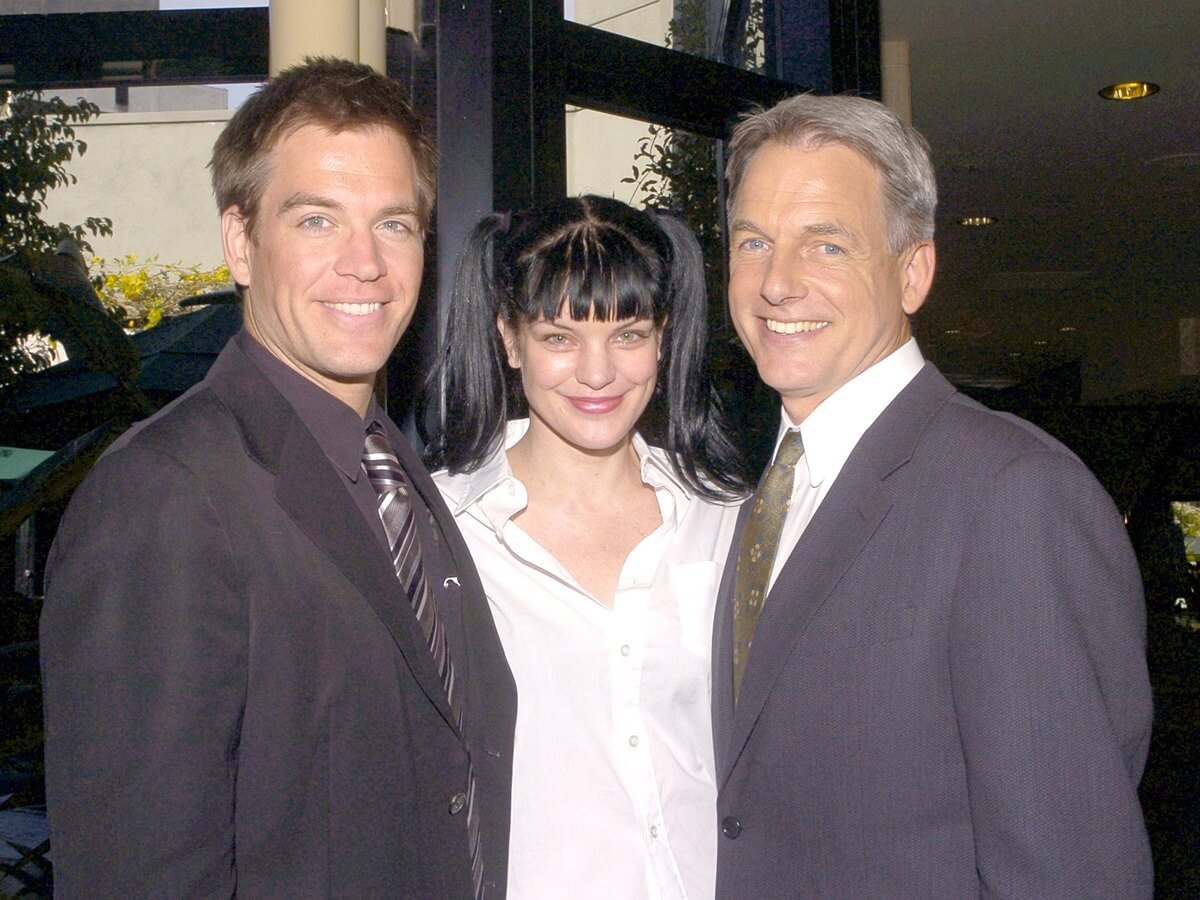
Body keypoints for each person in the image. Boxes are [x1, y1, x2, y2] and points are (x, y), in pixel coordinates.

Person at [40, 58, 515, 897]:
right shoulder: (161, 498)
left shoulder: (403, 476)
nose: (365, 264)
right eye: (317, 221)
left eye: (395, 224)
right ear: (240, 243)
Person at [711, 94, 1154, 897]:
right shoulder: (751, 493)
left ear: (913, 272)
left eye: (827, 245)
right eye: (754, 242)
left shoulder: (1015, 498)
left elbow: (1071, 870)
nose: (777, 283)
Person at [425, 195, 747, 898]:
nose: (597, 373)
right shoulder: (440, 531)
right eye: (559, 337)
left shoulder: (723, 521)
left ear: (664, 336)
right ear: (509, 340)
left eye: (627, 334)